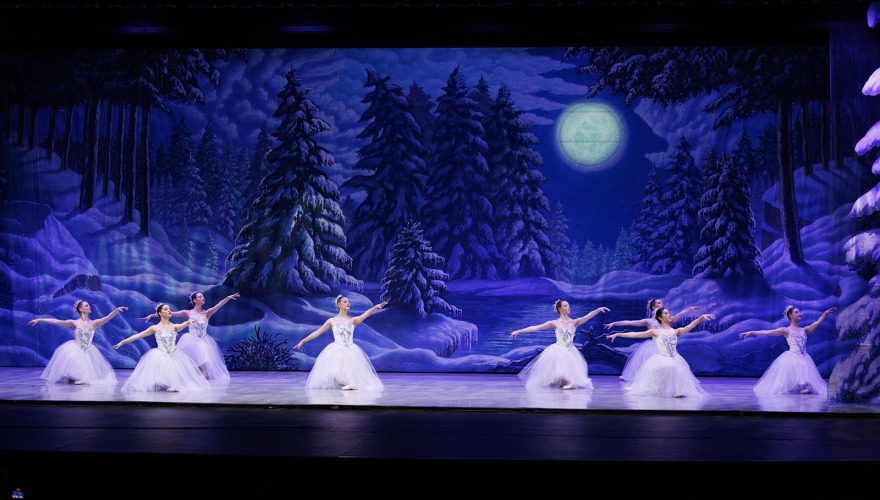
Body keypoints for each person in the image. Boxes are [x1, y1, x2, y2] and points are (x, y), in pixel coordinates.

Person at [606, 308, 715, 398]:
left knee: (676, 366)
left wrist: (701, 318)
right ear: (660, 317)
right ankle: (645, 387)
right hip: (661, 357)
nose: (669, 315)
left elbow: (690, 326)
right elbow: (635, 334)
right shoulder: (655, 331)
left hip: (674, 357)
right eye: (666, 313)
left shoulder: (675, 331)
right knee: (663, 368)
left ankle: (678, 390)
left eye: (669, 313)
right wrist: (618, 334)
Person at [139, 291, 239, 384]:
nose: (203, 298)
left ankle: (202, 379)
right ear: (195, 300)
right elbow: (169, 314)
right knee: (183, 362)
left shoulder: (207, 312)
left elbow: (219, 305)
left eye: (203, 296)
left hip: (204, 339)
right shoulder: (188, 313)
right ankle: (177, 379)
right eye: (200, 297)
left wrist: (228, 298)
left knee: (205, 359)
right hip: (191, 340)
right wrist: (153, 315)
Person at [509, 300, 610, 390]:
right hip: (559, 348)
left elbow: (587, 316)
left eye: (568, 305)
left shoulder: (574, 322)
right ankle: (568, 381)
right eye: (565, 306)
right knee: (560, 375)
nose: (568, 307)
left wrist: (597, 309)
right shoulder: (554, 323)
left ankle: (572, 382)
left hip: (570, 349)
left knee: (565, 366)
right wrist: (519, 331)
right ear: (559, 309)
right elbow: (536, 327)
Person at [294, 295, 388, 391]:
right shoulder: (332, 321)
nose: (348, 303)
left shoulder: (353, 320)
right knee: (340, 360)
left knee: (348, 361)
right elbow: (316, 333)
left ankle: (352, 383)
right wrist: (303, 340)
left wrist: (376, 307)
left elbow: (366, 314)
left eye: (348, 302)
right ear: (339, 304)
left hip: (350, 348)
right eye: (345, 302)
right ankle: (348, 382)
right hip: (337, 347)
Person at [113, 303, 212, 393]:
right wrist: (123, 342)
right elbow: (138, 335)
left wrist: (189, 321)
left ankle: (173, 384)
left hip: (173, 353)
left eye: (169, 309)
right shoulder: (155, 328)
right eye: (166, 309)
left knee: (173, 366)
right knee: (163, 363)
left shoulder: (174, 326)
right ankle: (166, 382)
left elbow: (184, 324)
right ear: (160, 313)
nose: (169, 311)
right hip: (160, 353)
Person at [738, 305, 836, 395]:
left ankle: (808, 386)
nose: (800, 313)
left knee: (804, 366)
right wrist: (751, 332)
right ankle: (792, 385)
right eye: (797, 312)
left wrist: (825, 313)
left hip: (804, 355)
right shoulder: (786, 330)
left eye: (799, 312)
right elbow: (767, 332)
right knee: (794, 369)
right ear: (790, 315)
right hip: (793, 355)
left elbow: (817, 323)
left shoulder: (804, 330)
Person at [28, 300, 127, 386]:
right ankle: (65, 376)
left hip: (88, 349)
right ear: (80, 309)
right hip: (76, 346)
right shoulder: (74, 322)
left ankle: (81, 377)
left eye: (89, 305)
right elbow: (56, 321)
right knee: (71, 356)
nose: (89, 307)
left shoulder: (94, 323)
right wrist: (40, 319)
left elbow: (108, 317)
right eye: (86, 305)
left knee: (84, 361)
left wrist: (116, 310)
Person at [603, 298, 701, 382]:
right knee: (650, 366)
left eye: (662, 303)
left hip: (665, 347)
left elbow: (680, 314)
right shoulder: (649, 321)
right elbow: (630, 322)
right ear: (653, 307)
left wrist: (690, 309)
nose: (661, 304)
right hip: (654, 346)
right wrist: (615, 323)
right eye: (659, 303)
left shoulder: (668, 318)